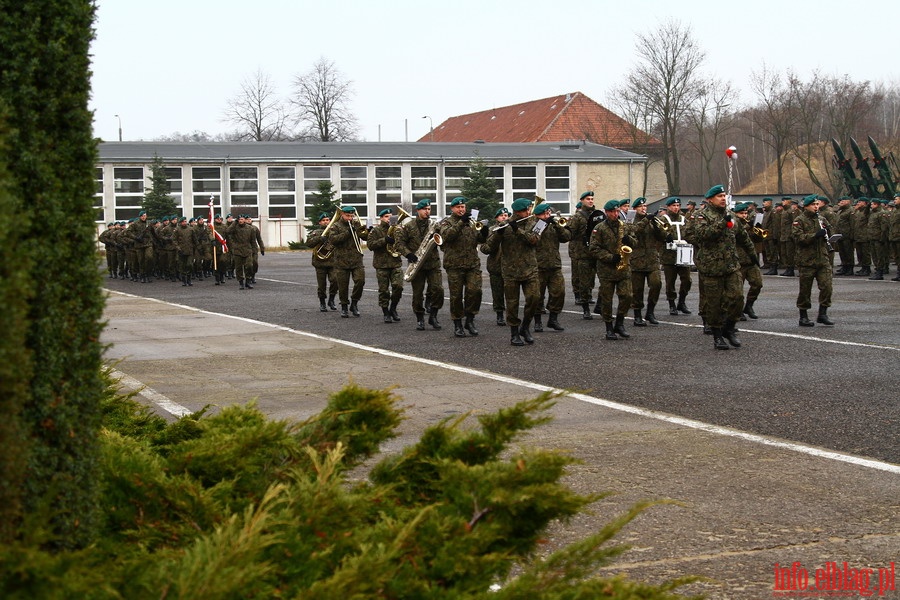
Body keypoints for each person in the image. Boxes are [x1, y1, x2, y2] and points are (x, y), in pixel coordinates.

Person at [685, 185, 750, 350]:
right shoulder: (701, 216)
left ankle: (729, 328)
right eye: (719, 196)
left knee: (737, 298)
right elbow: (703, 235)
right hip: (711, 267)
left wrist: (753, 256)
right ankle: (717, 336)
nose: (723, 198)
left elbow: (742, 235)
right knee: (714, 303)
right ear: (710, 199)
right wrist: (722, 223)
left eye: (724, 195)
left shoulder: (731, 216)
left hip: (731, 265)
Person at [486, 197, 540, 346]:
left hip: (530, 269)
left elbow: (534, 240)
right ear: (516, 212)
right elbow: (488, 247)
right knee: (512, 304)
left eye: (528, 209)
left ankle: (525, 327)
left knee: (534, 298)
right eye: (524, 210)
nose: (528, 211)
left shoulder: (537, 222)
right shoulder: (504, 225)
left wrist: (517, 230)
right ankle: (514, 333)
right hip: (510, 271)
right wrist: (499, 234)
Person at [436, 196, 487, 337]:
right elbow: (446, 236)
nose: (461, 209)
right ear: (452, 208)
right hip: (454, 265)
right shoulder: (446, 222)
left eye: (463, 207)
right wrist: (460, 223)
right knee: (456, 296)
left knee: (475, 291)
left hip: (472, 264)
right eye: (458, 207)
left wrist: (484, 231)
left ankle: (470, 319)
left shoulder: (471, 222)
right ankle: (457, 323)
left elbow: (480, 239)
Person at [589, 199, 635, 340]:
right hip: (606, 270)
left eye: (617, 211)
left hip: (623, 269)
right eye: (613, 212)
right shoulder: (599, 228)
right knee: (607, 300)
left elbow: (635, 242)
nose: (616, 214)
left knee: (627, 296)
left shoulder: (624, 226)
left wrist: (629, 241)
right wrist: (610, 257)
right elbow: (593, 248)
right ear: (607, 212)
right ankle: (609, 327)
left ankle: (620, 323)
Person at [395, 199, 444, 331]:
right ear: (418, 210)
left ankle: (433, 315)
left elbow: (443, 240)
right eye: (425, 209)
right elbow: (399, 244)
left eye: (429, 209)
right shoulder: (408, 226)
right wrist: (408, 254)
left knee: (438, 290)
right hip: (417, 264)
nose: (427, 211)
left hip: (433, 263)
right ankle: (420, 318)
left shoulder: (434, 225)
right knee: (418, 294)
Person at [792, 194, 835, 327]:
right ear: (806, 206)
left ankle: (823, 314)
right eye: (813, 205)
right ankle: (803, 316)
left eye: (817, 204)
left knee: (827, 287)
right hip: (807, 260)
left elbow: (830, 231)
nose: (816, 207)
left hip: (822, 259)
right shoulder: (799, 220)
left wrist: (829, 234)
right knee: (805, 290)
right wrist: (815, 235)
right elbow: (798, 238)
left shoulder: (821, 219)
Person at [533, 202, 571, 332]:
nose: (548, 215)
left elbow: (566, 237)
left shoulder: (554, 226)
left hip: (554, 265)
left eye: (549, 213)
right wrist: (544, 223)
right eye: (545, 213)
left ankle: (553, 319)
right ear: (538, 215)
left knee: (559, 292)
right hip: (538, 265)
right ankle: (537, 320)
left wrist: (557, 225)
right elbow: (533, 237)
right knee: (537, 295)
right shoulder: (534, 225)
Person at [629, 197, 666, 326]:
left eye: (645, 206)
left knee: (656, 284)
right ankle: (637, 315)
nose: (644, 208)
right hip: (636, 260)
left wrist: (657, 226)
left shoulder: (652, 221)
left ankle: (650, 312)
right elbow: (632, 231)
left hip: (652, 259)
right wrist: (646, 220)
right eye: (641, 206)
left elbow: (662, 236)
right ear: (635, 209)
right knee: (637, 290)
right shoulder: (631, 220)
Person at [568, 191, 603, 319]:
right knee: (584, 282)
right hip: (582, 253)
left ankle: (600, 305)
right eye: (588, 199)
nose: (590, 201)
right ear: (582, 200)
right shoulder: (577, 217)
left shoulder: (597, 215)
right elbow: (569, 234)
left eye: (592, 198)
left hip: (596, 252)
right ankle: (586, 308)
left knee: (603, 280)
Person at [327, 206, 367, 317]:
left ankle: (354, 303)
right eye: (347, 216)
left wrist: (368, 231)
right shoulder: (336, 226)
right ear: (342, 215)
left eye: (351, 216)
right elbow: (333, 240)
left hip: (356, 259)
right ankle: (344, 306)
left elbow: (365, 237)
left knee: (360, 281)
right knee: (343, 286)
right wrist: (348, 232)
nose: (350, 218)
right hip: (341, 261)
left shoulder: (356, 224)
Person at [367, 208, 404, 323]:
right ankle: (385, 312)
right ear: (381, 218)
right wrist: (384, 240)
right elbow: (370, 245)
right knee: (384, 291)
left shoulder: (398, 229)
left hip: (395, 262)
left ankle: (393, 308)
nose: (389, 219)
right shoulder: (375, 231)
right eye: (387, 216)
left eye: (391, 216)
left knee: (398, 287)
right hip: (381, 264)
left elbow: (404, 243)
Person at [658, 197, 693, 316]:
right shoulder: (663, 219)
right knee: (670, 281)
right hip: (669, 255)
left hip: (683, 253)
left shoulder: (684, 219)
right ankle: (672, 304)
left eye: (678, 205)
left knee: (687, 280)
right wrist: (665, 237)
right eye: (673, 205)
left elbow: (690, 233)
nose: (676, 208)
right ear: (668, 207)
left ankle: (682, 302)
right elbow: (658, 234)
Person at [733, 202, 764, 319]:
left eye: (745, 213)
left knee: (757, 284)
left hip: (751, 260)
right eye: (741, 213)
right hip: (738, 261)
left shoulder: (749, 225)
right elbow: (738, 236)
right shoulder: (733, 224)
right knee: (737, 290)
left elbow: (756, 240)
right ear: (736, 214)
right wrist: (748, 226)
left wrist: (758, 231)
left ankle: (749, 305)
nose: (744, 216)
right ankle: (738, 310)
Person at [480, 208, 509, 325]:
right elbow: (485, 249)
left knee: (512, 293)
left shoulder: (512, 229)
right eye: (501, 215)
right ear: (497, 218)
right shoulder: (491, 230)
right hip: (496, 266)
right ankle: (499, 314)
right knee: (497, 293)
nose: (504, 217)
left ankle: (512, 314)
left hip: (511, 266)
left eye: (506, 215)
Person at [306, 212, 339, 311]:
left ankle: (331, 299)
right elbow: (308, 243)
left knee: (335, 281)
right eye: (323, 220)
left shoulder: (334, 231)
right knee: (322, 284)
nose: (326, 222)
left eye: (328, 220)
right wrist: (319, 238)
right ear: (320, 222)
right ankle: (322, 302)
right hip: (320, 262)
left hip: (333, 261)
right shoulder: (316, 232)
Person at [867, 198, 889, 280]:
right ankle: (877, 271)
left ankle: (880, 272)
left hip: (878, 238)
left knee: (879, 256)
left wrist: (882, 238)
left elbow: (884, 227)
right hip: (872, 237)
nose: (871, 206)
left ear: (877, 204)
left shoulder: (881, 213)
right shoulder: (872, 213)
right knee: (874, 256)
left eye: (872, 204)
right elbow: (866, 212)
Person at [833, 196, 855, 275]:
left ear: (848, 201)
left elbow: (852, 224)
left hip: (847, 235)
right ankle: (844, 266)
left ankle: (850, 268)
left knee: (848, 252)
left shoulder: (851, 211)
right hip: (839, 234)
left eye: (843, 201)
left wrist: (852, 235)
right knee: (842, 252)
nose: (841, 202)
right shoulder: (840, 211)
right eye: (840, 201)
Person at [173, 216, 197, 287]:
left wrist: (197, 247)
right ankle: (184, 280)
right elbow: (174, 240)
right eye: (183, 222)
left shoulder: (191, 229)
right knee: (182, 266)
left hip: (189, 250)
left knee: (189, 265)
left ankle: (189, 279)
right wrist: (178, 248)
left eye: (185, 221)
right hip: (181, 251)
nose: (184, 223)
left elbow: (194, 239)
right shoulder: (177, 230)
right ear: (180, 223)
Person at [851, 197, 871, 276]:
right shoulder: (858, 212)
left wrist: (868, 204)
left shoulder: (866, 212)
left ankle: (867, 268)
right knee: (860, 253)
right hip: (858, 236)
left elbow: (868, 208)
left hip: (864, 236)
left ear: (865, 203)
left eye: (860, 202)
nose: (858, 203)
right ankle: (863, 267)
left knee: (865, 253)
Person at [891, 193, 900, 281]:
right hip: (895, 236)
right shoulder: (895, 211)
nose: (894, 201)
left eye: (896, 199)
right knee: (897, 256)